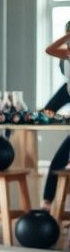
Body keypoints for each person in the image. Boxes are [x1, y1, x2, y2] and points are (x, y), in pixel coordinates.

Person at [42, 20, 70, 209]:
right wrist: (68, 35)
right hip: (68, 89)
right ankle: (46, 206)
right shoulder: (67, 53)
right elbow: (50, 50)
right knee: (57, 163)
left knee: (61, 160)